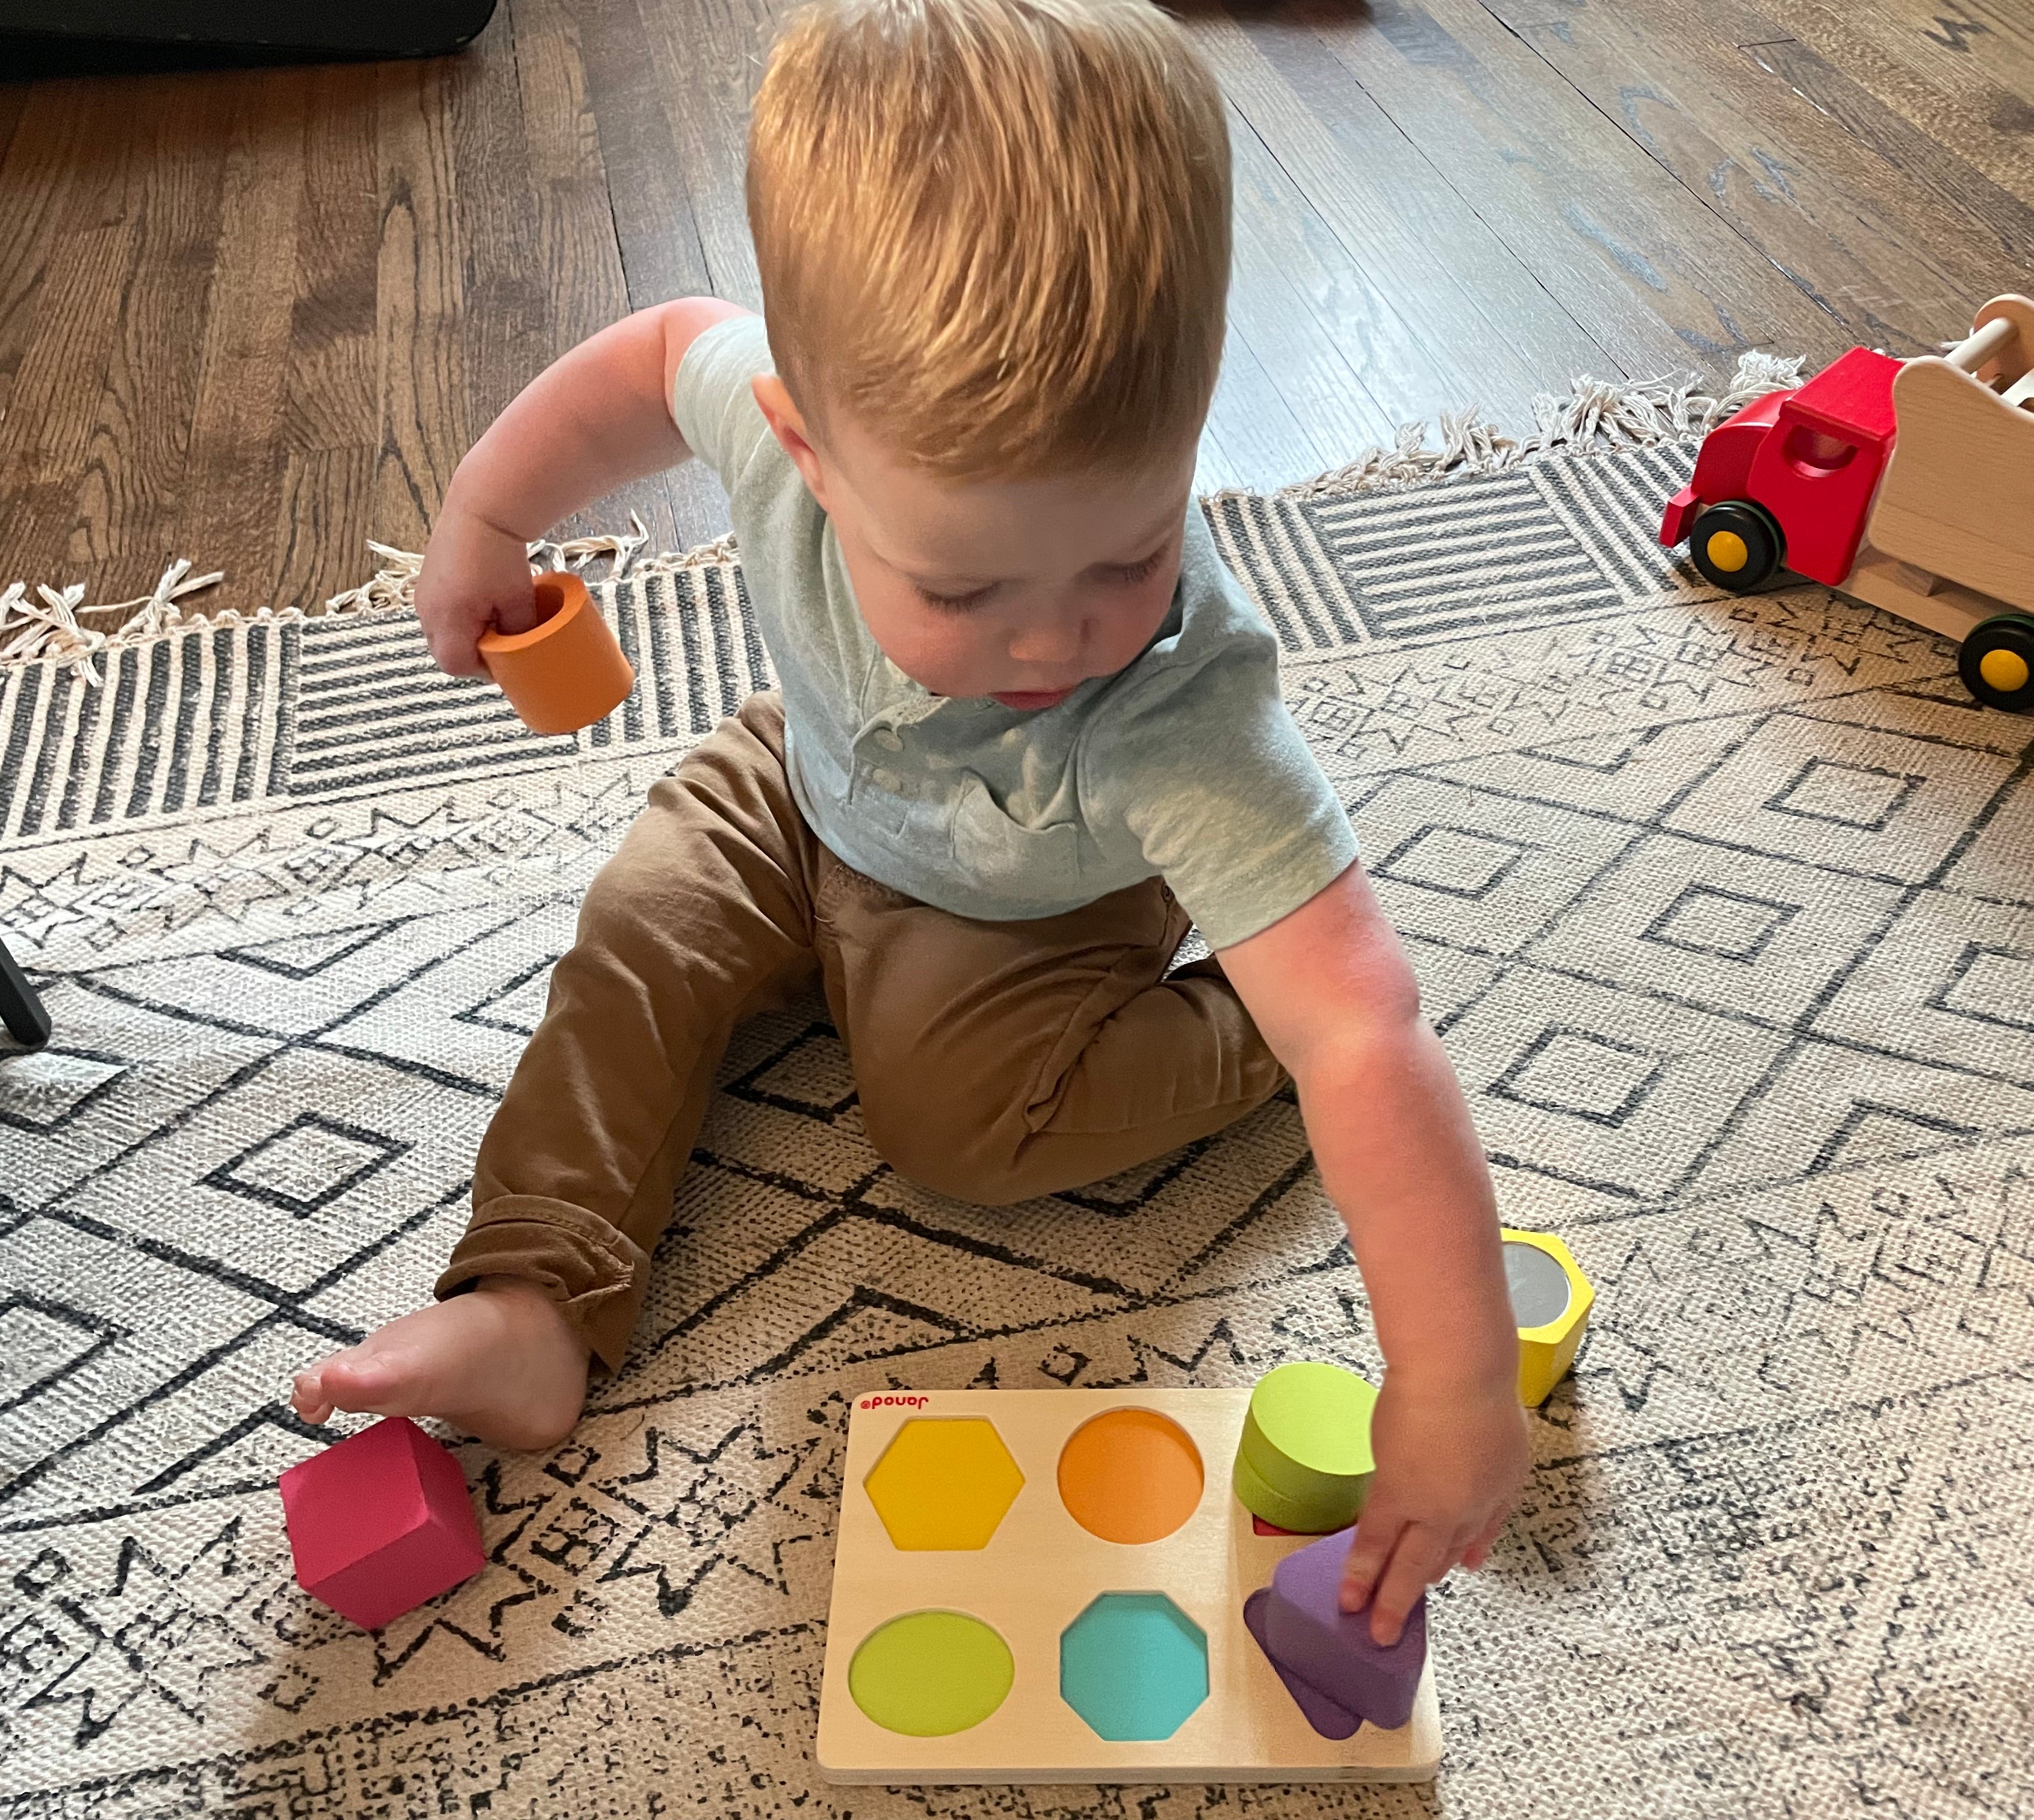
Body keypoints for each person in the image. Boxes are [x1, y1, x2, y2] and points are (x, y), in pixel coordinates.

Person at [291, 0, 1527, 1642]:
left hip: (1032, 903)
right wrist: (485, 513)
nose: (1054, 640)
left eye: (1128, 551)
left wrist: (1455, 1377)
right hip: (800, 789)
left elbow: (1373, 1039)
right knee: (635, 933)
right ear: (808, 441)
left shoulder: (1175, 702)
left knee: (964, 1127)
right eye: (959, 583)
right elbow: (661, 350)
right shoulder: (767, 406)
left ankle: (1245, 1017)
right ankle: (531, 1297)